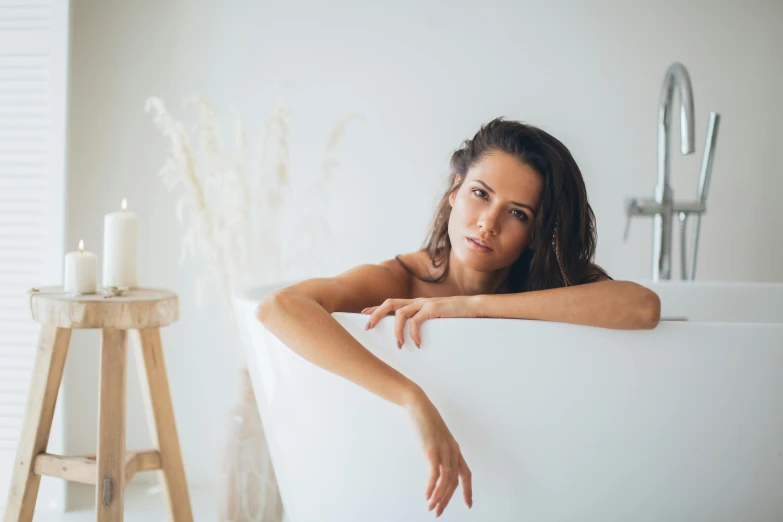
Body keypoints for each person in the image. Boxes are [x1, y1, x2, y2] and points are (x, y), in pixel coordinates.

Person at [256, 117, 661, 517]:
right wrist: (412, 399)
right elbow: (279, 308)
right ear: (455, 189)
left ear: (536, 231)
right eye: (481, 193)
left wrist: (471, 306)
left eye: (517, 213)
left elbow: (642, 307)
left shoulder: (546, 284)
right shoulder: (400, 279)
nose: (488, 223)